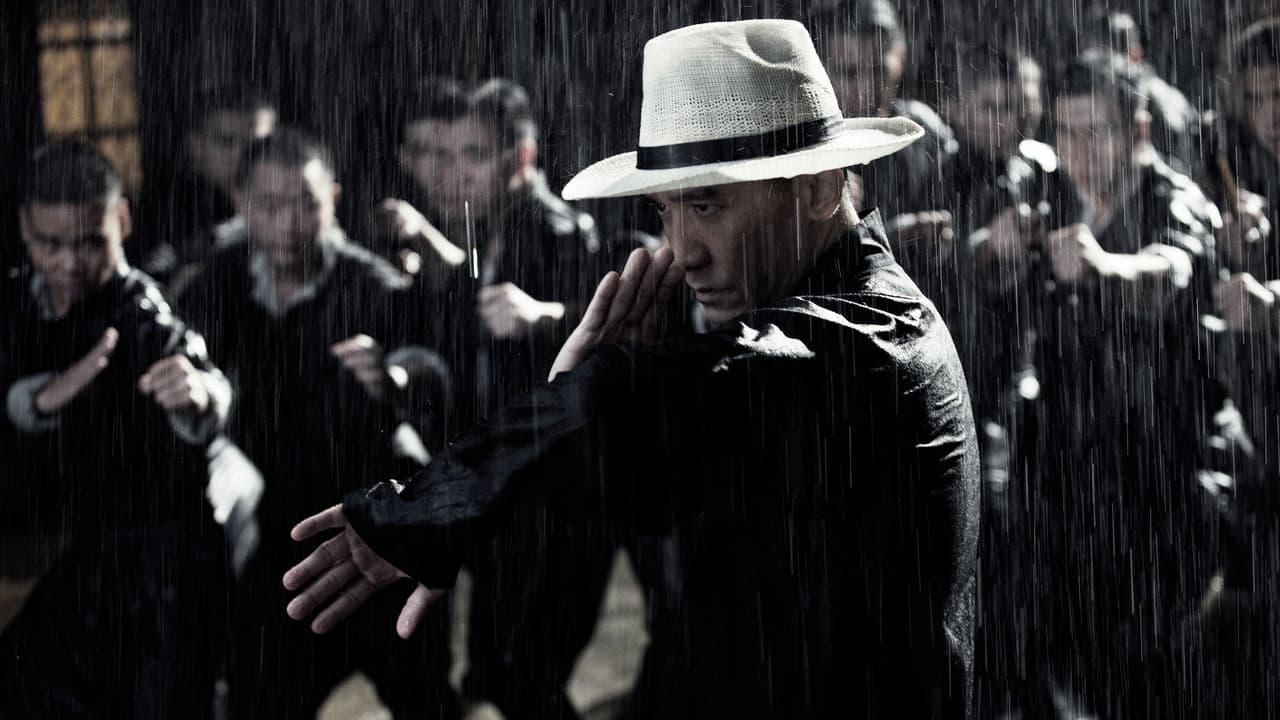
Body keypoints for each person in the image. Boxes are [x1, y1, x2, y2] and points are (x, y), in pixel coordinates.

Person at [284, 19, 980, 718]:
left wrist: (431, 512)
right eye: (665, 210)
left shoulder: (867, 336)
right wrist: (513, 469)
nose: (683, 250)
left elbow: (671, 393)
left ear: (819, 189)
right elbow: (643, 482)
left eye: (706, 204)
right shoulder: (822, 342)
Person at [983, 53, 1235, 717]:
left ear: (1138, 130)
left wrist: (1105, 268)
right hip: (1064, 479)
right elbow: (992, 274)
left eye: (1096, 131)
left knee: (1144, 673)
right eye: (1066, 131)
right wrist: (991, 249)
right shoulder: (1052, 198)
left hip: (1156, 483)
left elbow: (1171, 269)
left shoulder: (1174, 200)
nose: (1079, 149)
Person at [179, 130, 454, 718]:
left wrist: (395, 379)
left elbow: (430, 368)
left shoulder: (374, 284)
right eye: (269, 205)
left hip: (374, 529)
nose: (289, 223)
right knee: (263, 701)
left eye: (305, 203)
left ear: (332, 197)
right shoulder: (215, 287)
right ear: (241, 204)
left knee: (422, 696)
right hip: (280, 544)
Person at [377, 76, 625, 717]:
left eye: (475, 154)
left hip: (560, 490)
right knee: (493, 673)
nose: (457, 172)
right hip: (508, 484)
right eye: (450, 154)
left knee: (525, 677)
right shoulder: (488, 227)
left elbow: (620, 330)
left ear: (520, 157)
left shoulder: (556, 228)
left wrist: (546, 315)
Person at [0, 141, 232, 717]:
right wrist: (38, 400)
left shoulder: (143, 317)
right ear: (25, 227)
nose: (68, 263)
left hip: (159, 564)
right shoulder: (16, 303)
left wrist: (200, 396)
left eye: (88, 243)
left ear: (121, 221)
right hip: (79, 555)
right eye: (49, 244)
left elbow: (202, 381)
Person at [140, 85, 278, 295]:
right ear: (197, 146)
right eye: (226, 142)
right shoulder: (158, 213)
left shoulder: (293, 206)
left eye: (257, 145)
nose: (242, 155)